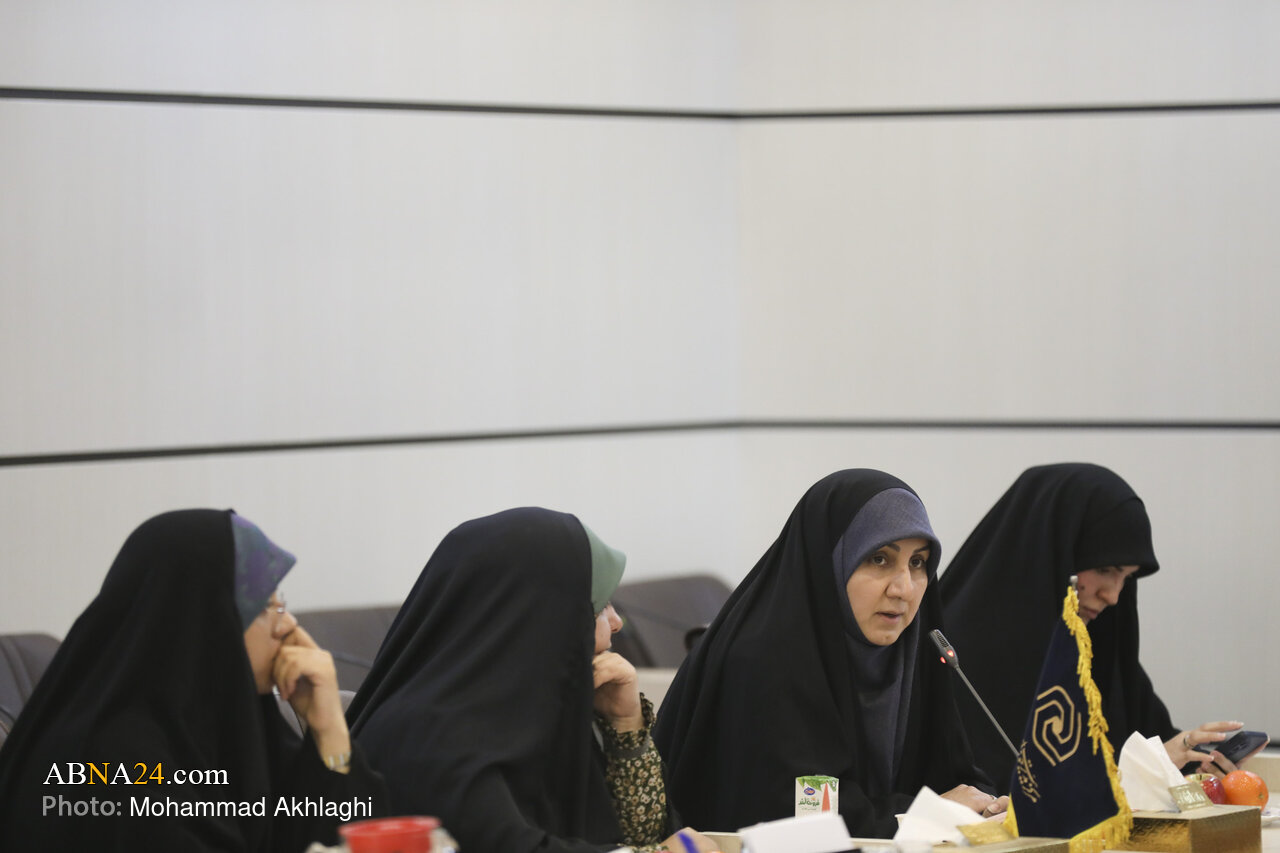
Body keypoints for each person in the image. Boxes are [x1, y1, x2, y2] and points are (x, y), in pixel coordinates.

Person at [0, 508, 387, 851]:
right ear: (201, 624)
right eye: (265, 608)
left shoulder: (232, 726)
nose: (287, 626)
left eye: (282, 605)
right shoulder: (121, 769)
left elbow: (360, 839)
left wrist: (328, 729)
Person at [652, 469, 1003, 838]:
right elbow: (801, 818)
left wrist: (989, 806)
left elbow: (956, 778)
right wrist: (930, 814)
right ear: (828, 562)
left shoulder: (915, 651)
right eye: (879, 559)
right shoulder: (762, 662)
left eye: (917, 563)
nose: (904, 589)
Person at [346, 507, 720, 853]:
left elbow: (646, 836)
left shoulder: (534, 717)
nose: (617, 622)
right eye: (599, 606)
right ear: (537, 620)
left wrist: (625, 731)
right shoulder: (429, 738)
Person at [937, 462, 1258, 789]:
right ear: (1056, 553)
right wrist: (1146, 768)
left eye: (1127, 578)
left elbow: (1150, 739)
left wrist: (1195, 762)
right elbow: (1006, 791)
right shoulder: (959, 657)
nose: (1113, 596)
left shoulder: (1093, 641)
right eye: (1105, 569)